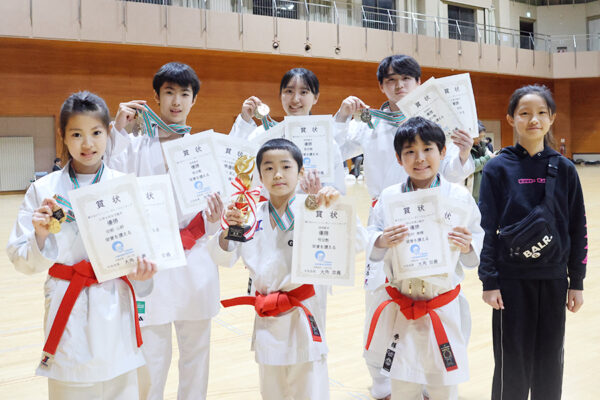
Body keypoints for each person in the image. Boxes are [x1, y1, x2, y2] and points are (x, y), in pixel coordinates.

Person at [333, 54, 475, 399]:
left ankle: (431, 379)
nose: (399, 86)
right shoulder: (370, 122)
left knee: (436, 294)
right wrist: (341, 116)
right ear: (382, 86)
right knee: (379, 298)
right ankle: (384, 383)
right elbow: (335, 150)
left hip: (432, 221)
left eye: (406, 79)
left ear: (418, 83)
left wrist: (462, 153)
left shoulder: (434, 121)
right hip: (386, 219)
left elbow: (450, 175)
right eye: (391, 80)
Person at [6, 91, 157, 399]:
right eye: (77, 134)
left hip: (115, 304)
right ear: (62, 135)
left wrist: (143, 273)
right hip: (68, 304)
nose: (87, 144)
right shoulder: (44, 190)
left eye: (96, 133)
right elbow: (21, 259)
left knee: (121, 388)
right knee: (71, 387)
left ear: (108, 133)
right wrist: (40, 235)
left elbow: (144, 251)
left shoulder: (124, 186)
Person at [210, 138, 366, 400]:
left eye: (285, 166)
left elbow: (359, 243)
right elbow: (223, 257)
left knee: (310, 389)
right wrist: (227, 230)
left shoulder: (315, 207)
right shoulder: (250, 214)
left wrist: (336, 206)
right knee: (272, 390)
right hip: (267, 318)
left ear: (300, 172)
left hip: (303, 313)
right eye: (269, 168)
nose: (278, 174)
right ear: (259, 176)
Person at [103, 62, 223, 400]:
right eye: (169, 92)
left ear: (194, 100)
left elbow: (216, 214)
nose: (176, 101)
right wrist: (118, 129)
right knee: (151, 362)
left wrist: (216, 219)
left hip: (195, 264)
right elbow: (108, 180)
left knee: (196, 359)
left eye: (184, 94)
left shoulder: (205, 149)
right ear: (156, 97)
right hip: (150, 265)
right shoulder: (134, 146)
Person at [478, 85, 587, 400]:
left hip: (553, 279)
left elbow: (577, 227)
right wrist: (489, 281)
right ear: (511, 119)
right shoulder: (497, 167)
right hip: (510, 281)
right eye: (524, 113)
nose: (533, 120)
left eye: (541, 113)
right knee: (511, 362)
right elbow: (486, 228)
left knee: (550, 361)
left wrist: (576, 282)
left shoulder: (565, 169)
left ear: (552, 118)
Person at [365, 116, 483, 400]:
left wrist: (468, 246)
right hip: (401, 305)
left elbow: (477, 243)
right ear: (399, 158)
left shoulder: (459, 197)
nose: (419, 158)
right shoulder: (389, 197)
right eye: (410, 151)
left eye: (428, 149)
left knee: (443, 386)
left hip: (442, 305)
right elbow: (371, 237)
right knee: (402, 385)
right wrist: (381, 240)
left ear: (443, 152)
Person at [229, 67, 347, 195]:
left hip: (310, 207)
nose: (295, 99)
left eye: (304, 92)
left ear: (315, 97)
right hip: (268, 207)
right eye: (289, 91)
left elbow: (338, 192)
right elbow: (233, 163)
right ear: (281, 95)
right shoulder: (263, 134)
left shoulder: (326, 141)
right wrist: (245, 119)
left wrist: (321, 194)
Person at [465, 121, 495, 202]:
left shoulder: (482, 145)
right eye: (478, 137)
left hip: (482, 190)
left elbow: (491, 157)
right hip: (470, 190)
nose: (480, 139)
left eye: (482, 137)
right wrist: (488, 158)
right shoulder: (464, 147)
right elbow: (472, 166)